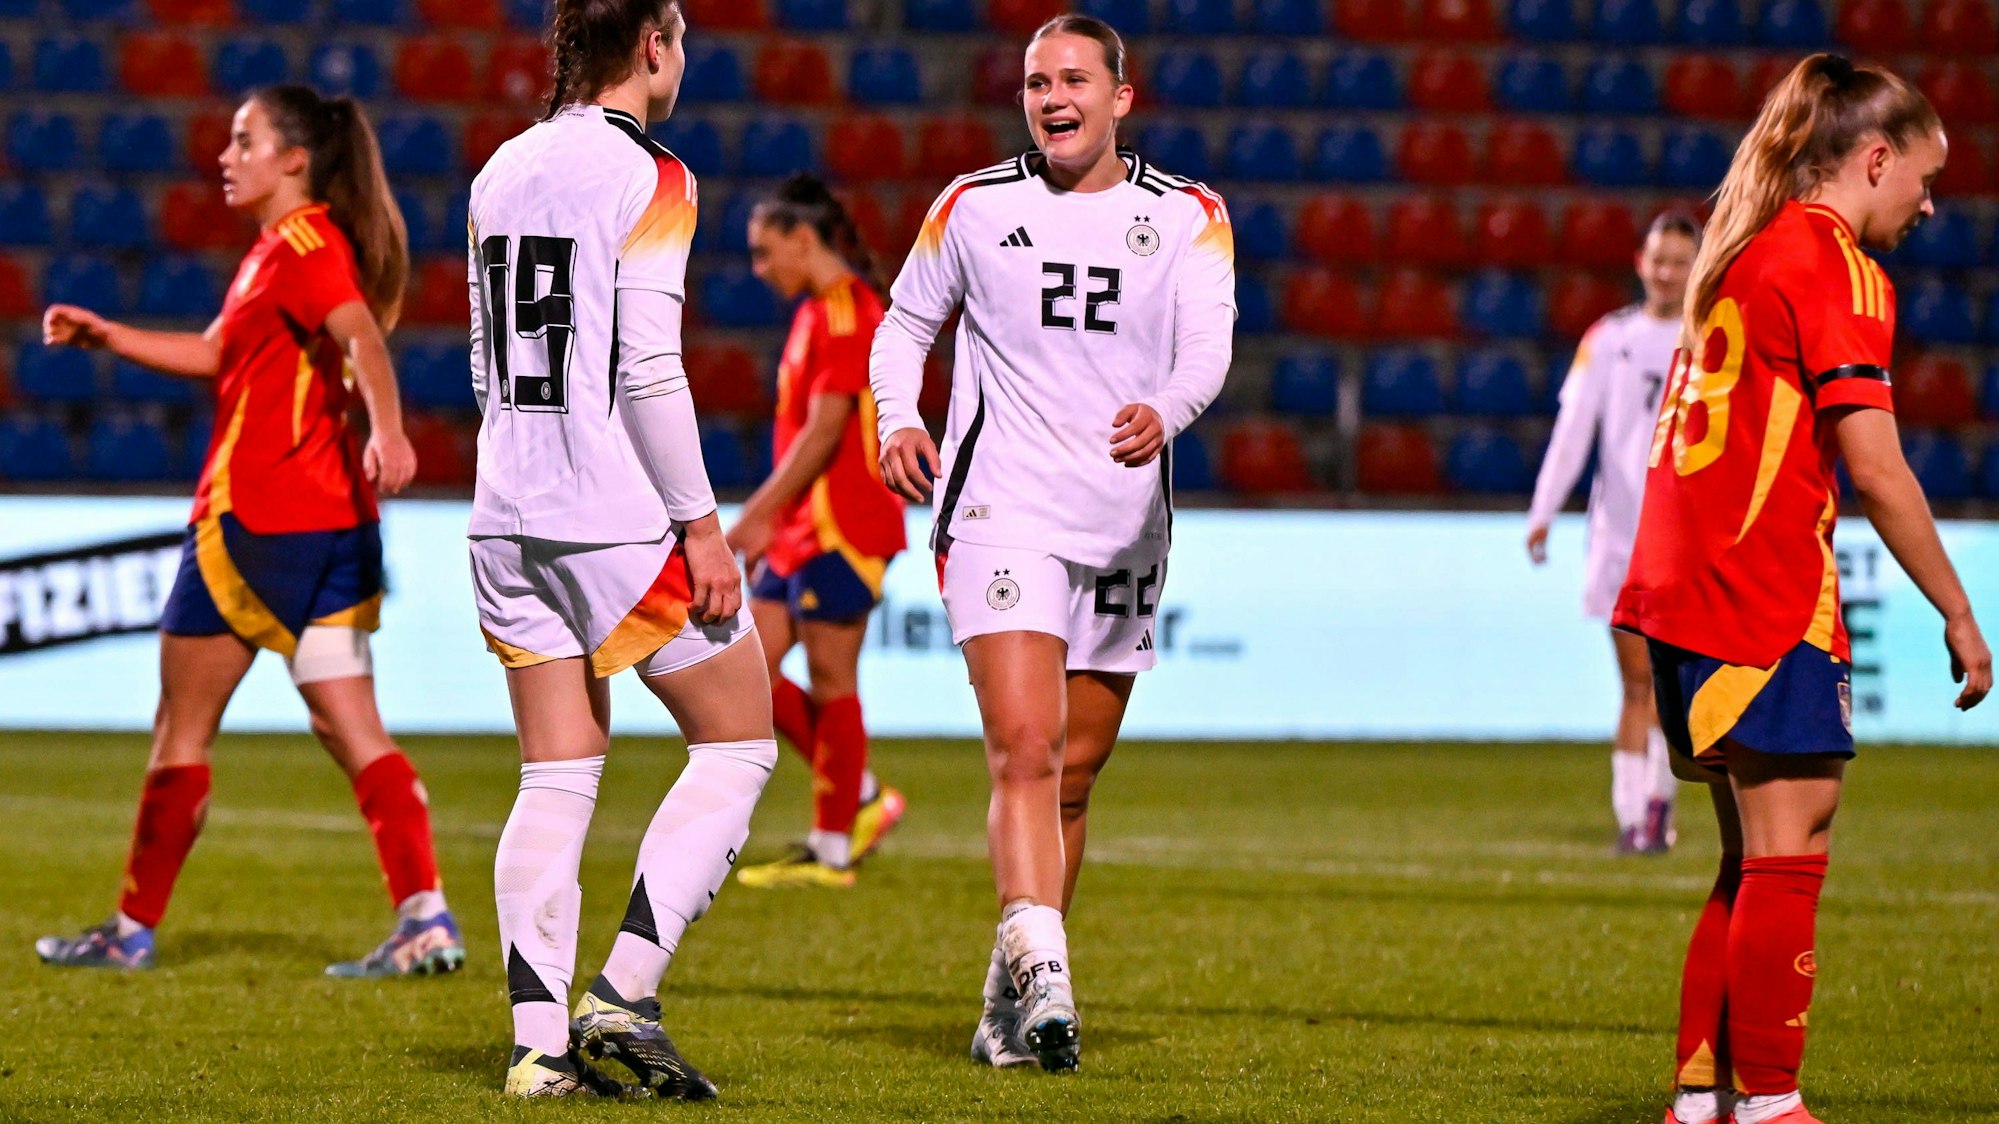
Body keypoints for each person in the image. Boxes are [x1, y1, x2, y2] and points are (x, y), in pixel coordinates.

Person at [1614, 54, 1991, 1124]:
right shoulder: (1836, 265)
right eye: (1924, 174)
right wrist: (1960, 612)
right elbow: (1873, 464)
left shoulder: (1737, 253)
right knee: (1792, 849)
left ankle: (1702, 1099)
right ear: (1874, 159)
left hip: (1681, 597)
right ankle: (1773, 1103)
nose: (1930, 200)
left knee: (1747, 856)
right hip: (1759, 595)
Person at [869, 15, 1234, 1074]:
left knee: (1074, 774)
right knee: (1024, 746)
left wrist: (1165, 407)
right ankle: (1048, 977)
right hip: (1001, 507)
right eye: (1035, 82)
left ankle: (1005, 1006)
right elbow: (903, 327)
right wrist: (900, 415)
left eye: (1073, 78)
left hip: (1123, 525)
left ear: (1124, 96)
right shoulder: (973, 208)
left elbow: (1206, 349)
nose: (1051, 97)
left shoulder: (1188, 217)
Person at [34, 86, 461, 979]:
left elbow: (362, 343)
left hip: (256, 524)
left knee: (180, 730)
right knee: (350, 726)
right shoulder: (284, 252)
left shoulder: (301, 245)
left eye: (244, 140)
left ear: (294, 160)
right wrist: (107, 334)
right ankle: (425, 916)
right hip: (335, 530)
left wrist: (388, 429)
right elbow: (218, 353)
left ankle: (130, 928)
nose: (226, 156)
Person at [467, 0, 775, 1099]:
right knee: (740, 735)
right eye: (680, 38)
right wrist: (700, 524)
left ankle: (538, 1046)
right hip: (605, 511)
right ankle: (625, 991)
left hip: (503, 507)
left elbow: (484, 356)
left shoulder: (499, 167)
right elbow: (648, 367)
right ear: (653, 46)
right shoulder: (657, 176)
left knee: (556, 769)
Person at [728, 174, 909, 890]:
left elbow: (827, 429)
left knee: (832, 676)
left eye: (766, 252)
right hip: (800, 525)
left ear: (804, 240)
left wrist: (757, 513)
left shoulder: (847, 314)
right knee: (746, 674)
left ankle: (832, 847)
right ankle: (861, 795)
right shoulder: (814, 314)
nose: (759, 269)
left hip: (844, 524)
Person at [1527, 212, 1700, 855]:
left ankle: (1658, 806)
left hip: (1688, 544)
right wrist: (1544, 508)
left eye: (1680, 261)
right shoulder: (1609, 339)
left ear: (1695, 267)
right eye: (1659, 259)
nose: (1666, 272)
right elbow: (1575, 430)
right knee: (1637, 683)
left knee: (1672, 687)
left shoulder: (1711, 338)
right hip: (1622, 539)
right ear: (1640, 262)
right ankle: (1638, 817)